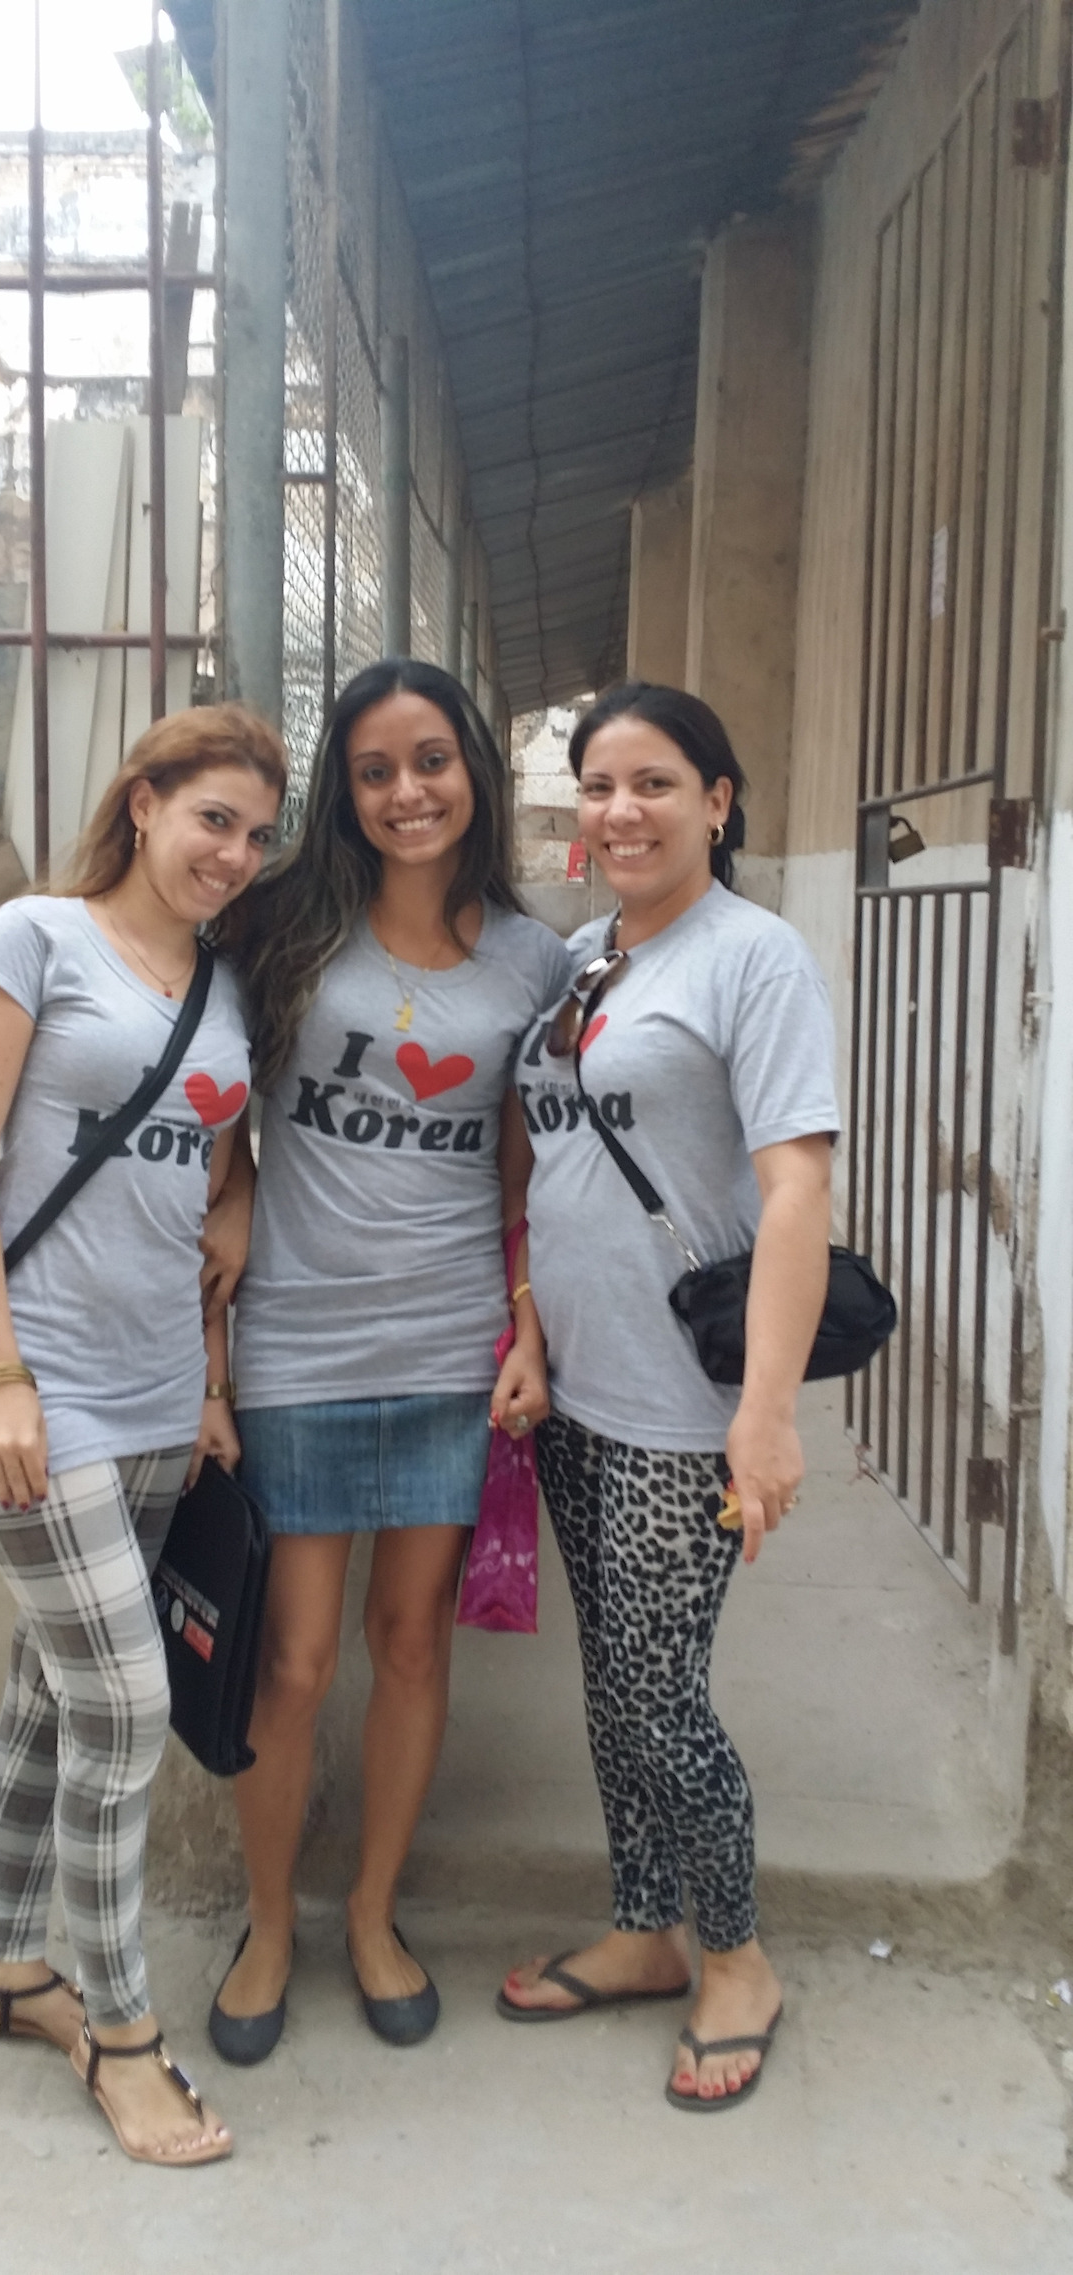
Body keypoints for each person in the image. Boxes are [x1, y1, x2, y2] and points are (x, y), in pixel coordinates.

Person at [0, 706, 285, 2167]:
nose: (235, 855)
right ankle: (122, 2034)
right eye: (213, 820)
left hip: (158, 1395)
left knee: (51, 1689)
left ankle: (3, 1965)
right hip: (42, 1393)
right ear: (143, 804)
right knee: (130, 1711)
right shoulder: (33, 938)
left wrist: (210, 1374)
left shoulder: (223, 987)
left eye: (257, 836)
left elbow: (210, 1169)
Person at [204, 658, 570, 2063]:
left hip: (448, 1346)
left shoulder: (532, 963)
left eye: (430, 761)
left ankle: (371, 1914)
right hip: (298, 1339)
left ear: (473, 769)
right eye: (373, 771)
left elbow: (523, 1172)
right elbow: (214, 1093)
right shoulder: (283, 924)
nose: (406, 792)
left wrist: (527, 1323)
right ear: (342, 792)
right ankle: (268, 1923)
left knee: (411, 1642)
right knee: (292, 1664)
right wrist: (235, 1195)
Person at [496, 682, 838, 2112]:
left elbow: (798, 1188)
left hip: (683, 1407)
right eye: (599, 785)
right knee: (616, 1680)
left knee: (660, 1694)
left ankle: (737, 1957)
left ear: (718, 800)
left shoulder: (753, 959)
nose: (622, 810)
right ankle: (646, 1928)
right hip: (577, 1390)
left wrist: (767, 1411)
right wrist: (529, 1329)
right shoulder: (588, 958)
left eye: (654, 783)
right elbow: (549, 1161)